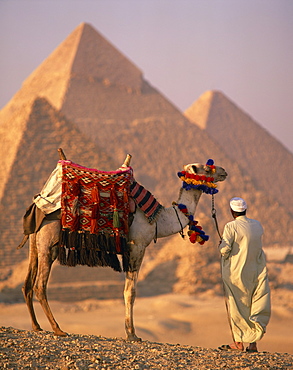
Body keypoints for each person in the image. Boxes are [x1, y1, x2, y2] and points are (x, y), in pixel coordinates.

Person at [218, 197, 271, 352]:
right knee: (256, 305)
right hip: (256, 271)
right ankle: (253, 344)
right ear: (245, 210)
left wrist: (221, 245)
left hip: (236, 273)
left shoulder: (231, 226)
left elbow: (224, 250)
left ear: (231, 211)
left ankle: (239, 343)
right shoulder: (257, 225)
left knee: (237, 306)